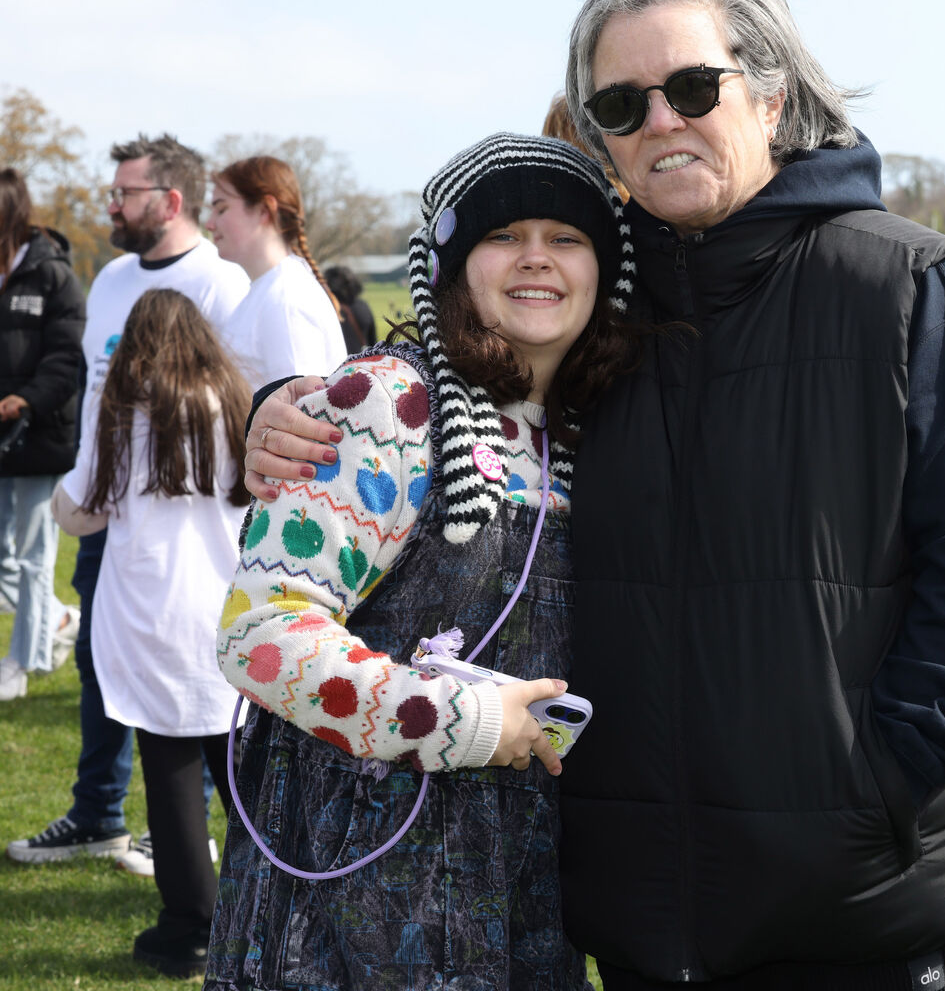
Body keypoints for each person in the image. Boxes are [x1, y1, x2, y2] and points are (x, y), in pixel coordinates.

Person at [246, 0, 945, 990]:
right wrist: (284, 406)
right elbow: (446, 381)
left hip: (857, 902)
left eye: (690, 85)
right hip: (637, 911)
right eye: (623, 106)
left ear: (770, 97)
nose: (661, 120)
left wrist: (883, 782)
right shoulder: (601, 314)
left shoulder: (900, 285)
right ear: (603, 141)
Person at [205, 133, 636, 990]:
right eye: (502, 236)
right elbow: (260, 635)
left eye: (567, 238)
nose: (536, 260)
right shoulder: (389, 403)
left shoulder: (598, 433)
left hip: (526, 879)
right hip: (351, 882)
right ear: (452, 265)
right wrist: (457, 721)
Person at [7, 134, 247, 867]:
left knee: (193, 678)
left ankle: (180, 830)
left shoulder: (221, 283)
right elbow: (91, 394)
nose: (110, 203)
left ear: (170, 201)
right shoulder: (110, 280)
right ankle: (97, 813)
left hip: (189, 528)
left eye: (125, 193)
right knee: (97, 666)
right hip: (105, 503)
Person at [51, 288, 250, 977]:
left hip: (153, 611)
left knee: (171, 777)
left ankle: (190, 926)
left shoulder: (125, 411)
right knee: (242, 776)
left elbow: (80, 510)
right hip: (229, 610)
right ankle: (272, 907)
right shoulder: (237, 401)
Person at [0, 167, 85, 701]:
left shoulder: (52, 275)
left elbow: (65, 355)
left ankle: (20, 664)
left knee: (34, 554)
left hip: (39, 435)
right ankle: (57, 619)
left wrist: (27, 399)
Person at [207, 157, 347, 390]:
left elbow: (301, 413)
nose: (210, 224)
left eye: (221, 209)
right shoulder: (271, 290)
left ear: (264, 210)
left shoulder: (285, 301)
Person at [323, 264, 377, 353]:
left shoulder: (327, 309)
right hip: (362, 362)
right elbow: (373, 342)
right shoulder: (363, 306)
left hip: (339, 364)